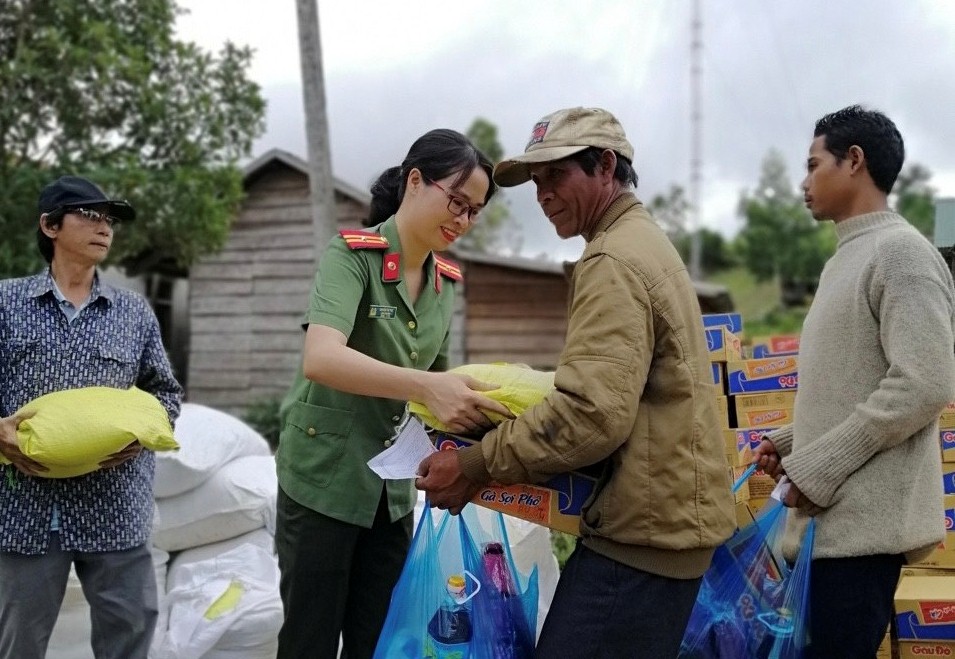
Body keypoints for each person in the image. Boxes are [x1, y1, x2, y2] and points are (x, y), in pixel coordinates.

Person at [416, 107, 737, 658]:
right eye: (536, 181)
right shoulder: (640, 240)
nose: (542, 194)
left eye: (556, 174)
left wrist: (474, 464)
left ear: (606, 165)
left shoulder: (613, 257)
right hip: (662, 526)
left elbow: (592, 415)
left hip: (643, 539)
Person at [274, 128, 513, 659]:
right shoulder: (351, 256)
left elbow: (440, 395)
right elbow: (322, 357)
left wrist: (498, 431)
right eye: (456, 200)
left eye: (474, 211)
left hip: (392, 492)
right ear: (414, 181)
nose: (462, 219)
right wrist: (425, 383)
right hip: (324, 479)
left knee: (381, 638)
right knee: (309, 637)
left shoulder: (445, 283)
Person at [750, 105, 955, 658]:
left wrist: (817, 467)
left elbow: (925, 381)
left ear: (854, 162)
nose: (804, 181)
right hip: (827, 534)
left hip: (862, 539)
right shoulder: (846, 258)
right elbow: (853, 385)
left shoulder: (903, 254)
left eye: (814, 164)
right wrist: (792, 442)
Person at [0, 175, 183, 659]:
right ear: (50, 225)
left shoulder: (133, 312)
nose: (105, 227)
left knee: (129, 636)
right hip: (25, 510)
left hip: (115, 507)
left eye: (110, 220)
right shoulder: (6, 303)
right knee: (18, 644)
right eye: (91, 214)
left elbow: (165, 392)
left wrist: (141, 437)